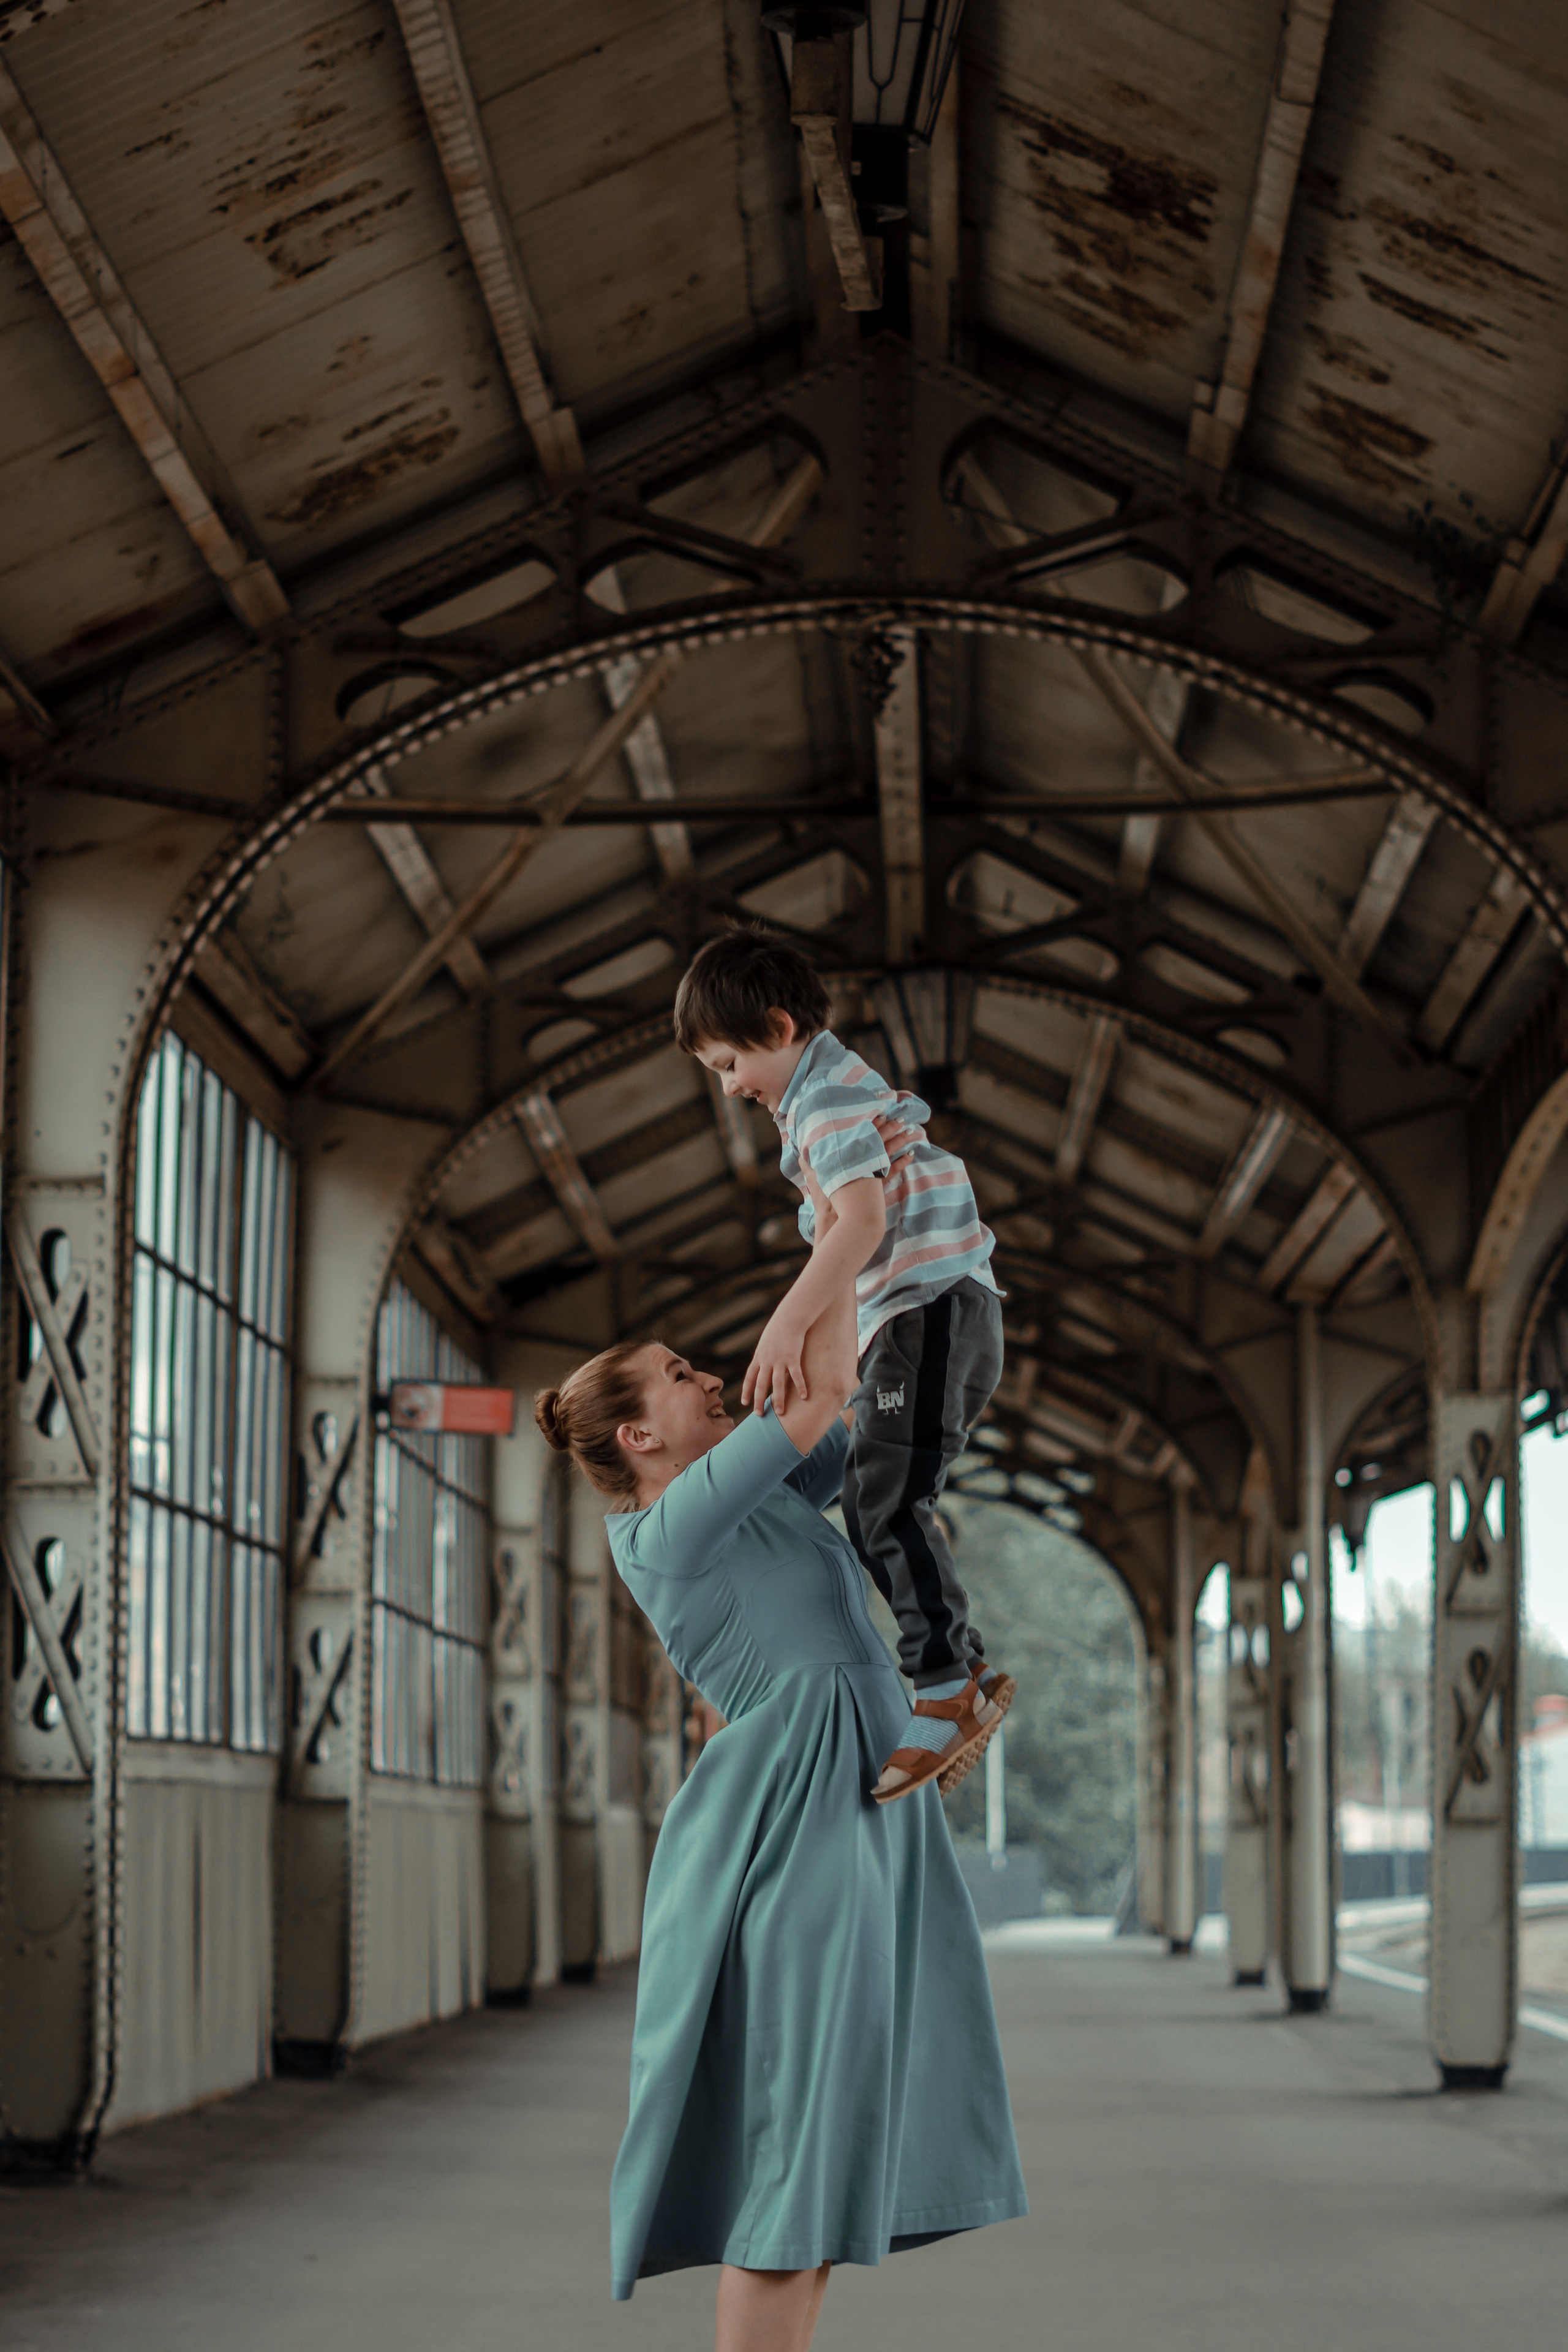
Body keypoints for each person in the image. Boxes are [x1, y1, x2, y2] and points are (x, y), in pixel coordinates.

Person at [534, 1147, 1027, 2342]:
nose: (704, 1379)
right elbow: (801, 1394)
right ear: (638, 1442)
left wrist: (864, 1242)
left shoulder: (749, 1497)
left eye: (692, 1364)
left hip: (855, 1793)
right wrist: (841, 1225)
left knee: (824, 2152)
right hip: (796, 1813)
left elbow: (844, 1397)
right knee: (797, 2167)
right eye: (675, 1378)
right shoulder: (659, 1530)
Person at [673, 924, 1014, 1802]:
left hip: (932, 1311)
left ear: (778, 1030)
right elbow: (847, 1227)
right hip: (923, 1318)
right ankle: (954, 1677)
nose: (729, 1086)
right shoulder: (821, 1101)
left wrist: (785, 1326)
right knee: (874, 1503)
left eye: (725, 1064)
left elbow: (857, 1228)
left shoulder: (823, 1106)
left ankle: (947, 1687)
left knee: (884, 1501)